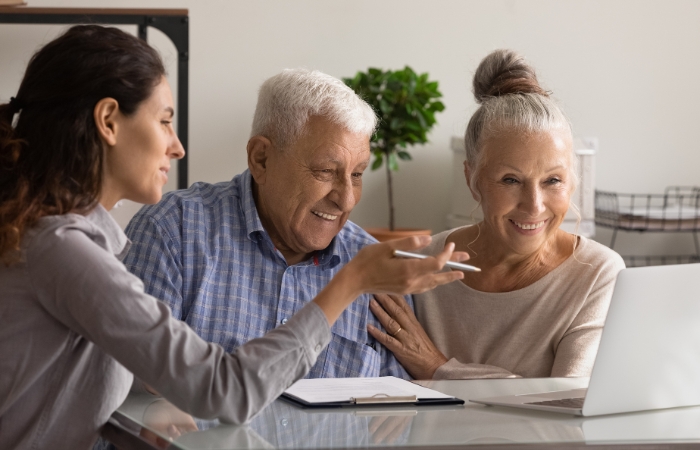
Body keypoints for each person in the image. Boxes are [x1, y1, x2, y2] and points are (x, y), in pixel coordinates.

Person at [0, 25, 467, 450]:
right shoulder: (69, 249)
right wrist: (351, 283)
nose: (177, 145)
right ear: (108, 121)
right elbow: (223, 390)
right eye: (164, 120)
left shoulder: (65, 242)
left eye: (359, 174)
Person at [122, 68, 411, 379]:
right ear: (261, 159)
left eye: (357, 175)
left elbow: (397, 416)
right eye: (326, 171)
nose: (347, 200)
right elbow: (137, 391)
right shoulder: (172, 232)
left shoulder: (376, 268)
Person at [367, 49, 625, 380]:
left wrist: (438, 368)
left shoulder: (597, 273)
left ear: (573, 180)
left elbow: (566, 402)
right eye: (510, 180)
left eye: (553, 180)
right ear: (471, 179)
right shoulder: (422, 264)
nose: (534, 205)